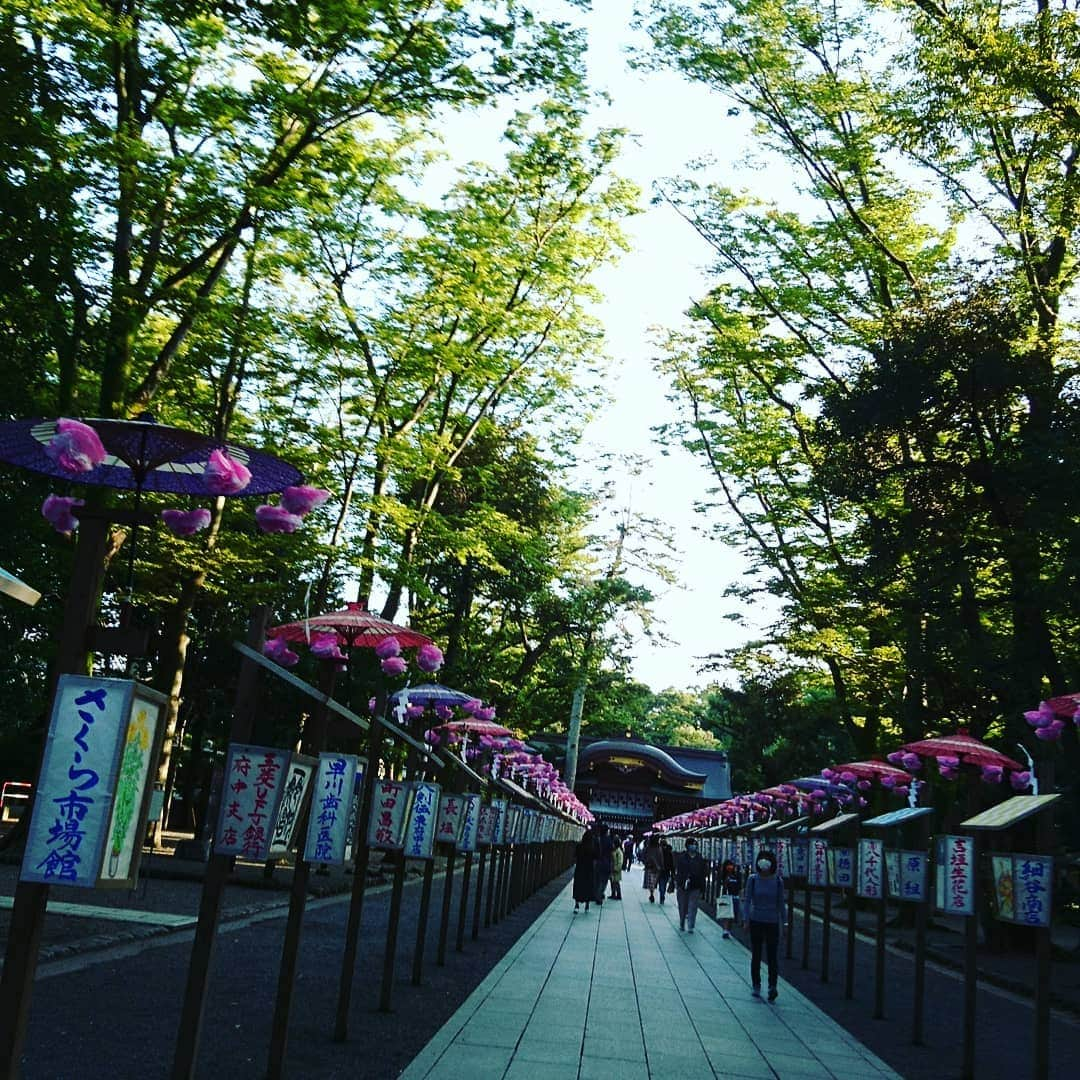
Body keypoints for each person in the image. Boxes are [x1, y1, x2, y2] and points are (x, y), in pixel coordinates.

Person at [743, 849, 785, 1001]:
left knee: (772, 956)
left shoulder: (778, 881)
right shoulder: (752, 879)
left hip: (772, 921)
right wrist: (746, 919)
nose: (764, 862)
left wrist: (784, 923)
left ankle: (772, 986)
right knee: (756, 954)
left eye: (767, 859)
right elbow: (747, 900)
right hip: (756, 920)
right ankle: (756, 984)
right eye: (762, 859)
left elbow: (781, 903)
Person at [674, 837, 707, 932]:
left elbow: (703, 873)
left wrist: (702, 887)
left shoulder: (700, 858)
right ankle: (682, 922)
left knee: (693, 906)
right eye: (692, 844)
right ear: (687, 846)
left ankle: (691, 925)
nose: (694, 846)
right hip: (683, 885)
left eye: (695, 844)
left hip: (695, 885)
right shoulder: (682, 857)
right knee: (682, 905)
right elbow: (679, 871)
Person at [573, 826, 598, 913]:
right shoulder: (592, 848)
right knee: (588, 887)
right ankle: (587, 906)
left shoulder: (579, 846)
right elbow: (596, 857)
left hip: (580, 869)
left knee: (578, 886)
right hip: (589, 870)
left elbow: (575, 856)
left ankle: (576, 905)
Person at [718, 859, 741, 938]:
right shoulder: (723, 876)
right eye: (728, 865)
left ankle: (728, 930)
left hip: (735, 897)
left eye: (731, 865)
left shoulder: (737, 875)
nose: (730, 867)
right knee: (726, 914)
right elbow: (722, 886)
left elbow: (739, 886)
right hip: (726, 897)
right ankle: (725, 930)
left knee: (732, 915)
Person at [594, 822, 613, 905]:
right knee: (604, 880)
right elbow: (611, 851)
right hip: (606, 862)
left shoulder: (597, 839)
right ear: (606, 831)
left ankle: (596, 894)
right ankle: (599, 895)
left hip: (598, 862)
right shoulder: (608, 840)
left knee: (597, 880)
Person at [643, 834, 663, 902]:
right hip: (657, 868)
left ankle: (651, 893)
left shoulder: (648, 848)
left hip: (650, 867)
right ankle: (652, 892)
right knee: (654, 882)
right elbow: (661, 858)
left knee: (650, 881)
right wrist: (661, 866)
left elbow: (645, 856)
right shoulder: (659, 848)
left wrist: (645, 863)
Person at [658, 838, 676, 905]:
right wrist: (673, 872)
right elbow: (672, 863)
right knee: (664, 883)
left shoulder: (660, 851)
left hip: (660, 870)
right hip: (667, 870)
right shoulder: (670, 852)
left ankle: (661, 894)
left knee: (661, 883)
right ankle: (663, 894)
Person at [609, 834, 624, 899]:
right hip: (612, 868)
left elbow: (620, 862)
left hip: (616, 869)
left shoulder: (618, 851)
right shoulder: (614, 850)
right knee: (612, 882)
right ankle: (613, 893)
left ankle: (618, 894)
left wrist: (616, 868)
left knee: (616, 882)